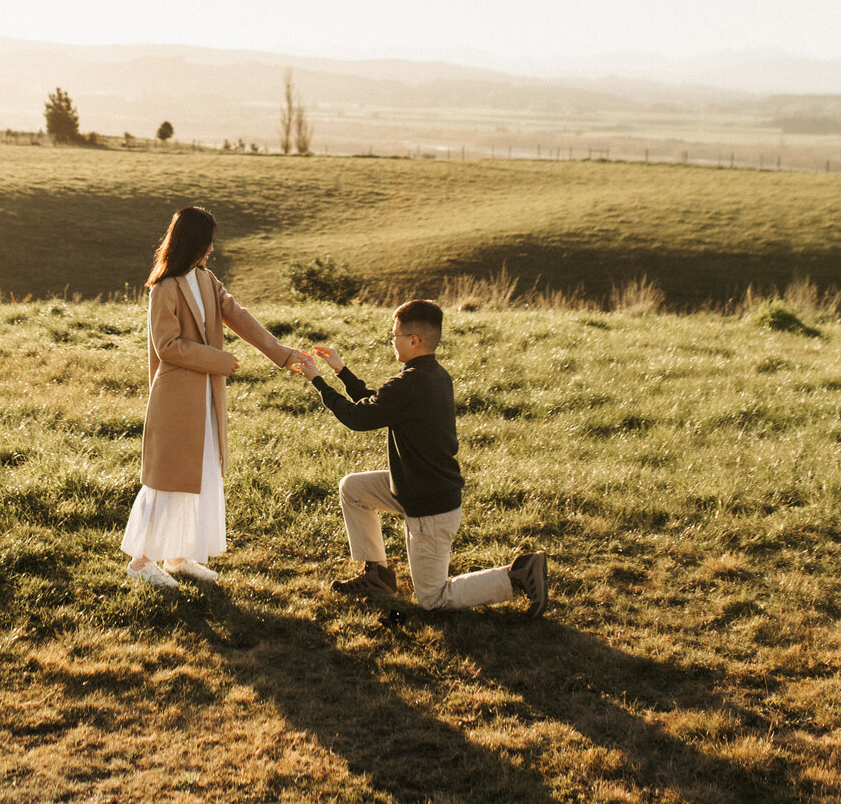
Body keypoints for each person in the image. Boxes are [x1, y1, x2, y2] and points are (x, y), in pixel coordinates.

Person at [295, 298, 549, 616]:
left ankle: (518, 574)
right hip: (417, 485)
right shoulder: (431, 375)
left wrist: (317, 381)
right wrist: (341, 371)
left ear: (414, 340)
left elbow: (357, 418)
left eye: (394, 336)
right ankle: (377, 576)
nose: (391, 341)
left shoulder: (410, 383)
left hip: (428, 505)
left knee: (432, 598)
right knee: (353, 489)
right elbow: (378, 404)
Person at [122, 205, 305, 589]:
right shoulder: (164, 288)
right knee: (167, 478)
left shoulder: (207, 280)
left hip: (206, 397)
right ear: (191, 242)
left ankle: (177, 556)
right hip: (175, 397)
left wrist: (283, 354)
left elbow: (239, 317)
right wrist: (218, 360)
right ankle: (140, 561)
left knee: (200, 472)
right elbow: (168, 345)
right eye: (206, 243)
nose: (210, 250)